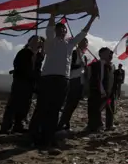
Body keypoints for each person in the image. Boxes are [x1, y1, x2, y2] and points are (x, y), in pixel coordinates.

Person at [32, 11, 97, 148]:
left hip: (63, 79)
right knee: (43, 107)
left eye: (64, 30)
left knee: (56, 109)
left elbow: (82, 33)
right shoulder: (50, 42)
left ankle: (49, 137)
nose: (62, 31)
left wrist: (92, 18)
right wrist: (52, 15)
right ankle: (36, 136)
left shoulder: (70, 44)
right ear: (56, 31)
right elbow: (49, 29)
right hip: (48, 78)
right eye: (60, 29)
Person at [0, 35, 41, 134]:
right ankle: (5, 127)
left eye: (38, 41)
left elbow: (37, 70)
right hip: (20, 82)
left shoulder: (39, 56)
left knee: (25, 105)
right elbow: (18, 66)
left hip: (30, 84)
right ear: (29, 42)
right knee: (13, 104)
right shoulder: (23, 53)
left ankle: (18, 125)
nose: (36, 42)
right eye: (34, 40)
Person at [58, 37, 90, 131]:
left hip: (81, 81)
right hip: (73, 79)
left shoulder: (84, 56)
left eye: (86, 42)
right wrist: (80, 66)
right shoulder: (74, 53)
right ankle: (62, 123)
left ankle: (66, 122)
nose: (85, 44)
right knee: (70, 103)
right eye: (83, 42)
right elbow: (69, 66)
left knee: (74, 104)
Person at [87, 47, 115, 132]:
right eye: (107, 53)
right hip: (96, 89)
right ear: (101, 54)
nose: (109, 55)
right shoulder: (94, 65)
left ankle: (109, 125)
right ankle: (95, 125)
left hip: (109, 90)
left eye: (109, 53)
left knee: (110, 108)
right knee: (95, 108)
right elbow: (90, 77)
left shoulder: (111, 66)